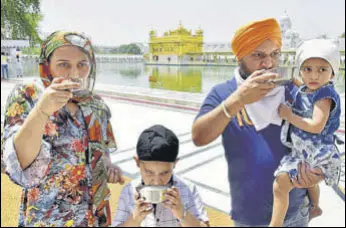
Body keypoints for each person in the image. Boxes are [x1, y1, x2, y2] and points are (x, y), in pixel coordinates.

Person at [192, 18, 324, 227]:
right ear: (239, 57)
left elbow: (320, 138)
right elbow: (199, 137)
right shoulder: (225, 93)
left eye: (274, 54)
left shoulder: (293, 91)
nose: (269, 64)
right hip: (249, 217)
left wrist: (316, 174)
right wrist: (238, 100)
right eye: (258, 55)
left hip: (296, 211)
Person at [2, 31, 124, 227]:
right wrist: (42, 110)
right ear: (47, 65)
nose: (74, 74)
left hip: (94, 217)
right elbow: (18, 162)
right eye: (63, 64)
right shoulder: (28, 95)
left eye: (82, 64)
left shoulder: (95, 105)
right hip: (49, 219)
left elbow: (103, 152)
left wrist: (109, 166)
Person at [270, 39, 342, 227]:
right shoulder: (309, 87)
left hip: (315, 150)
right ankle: (316, 206)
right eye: (307, 69)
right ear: (300, 70)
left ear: (333, 72)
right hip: (307, 149)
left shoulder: (324, 96)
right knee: (308, 180)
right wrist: (284, 79)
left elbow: (316, 126)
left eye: (322, 70)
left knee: (281, 184)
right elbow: (301, 83)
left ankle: (275, 224)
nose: (314, 76)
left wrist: (289, 115)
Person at [113, 125, 210, 227]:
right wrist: (134, 220)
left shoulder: (187, 189)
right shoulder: (129, 191)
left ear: (175, 164)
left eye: (164, 173)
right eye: (149, 172)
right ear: (137, 162)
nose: (156, 182)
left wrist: (182, 214)